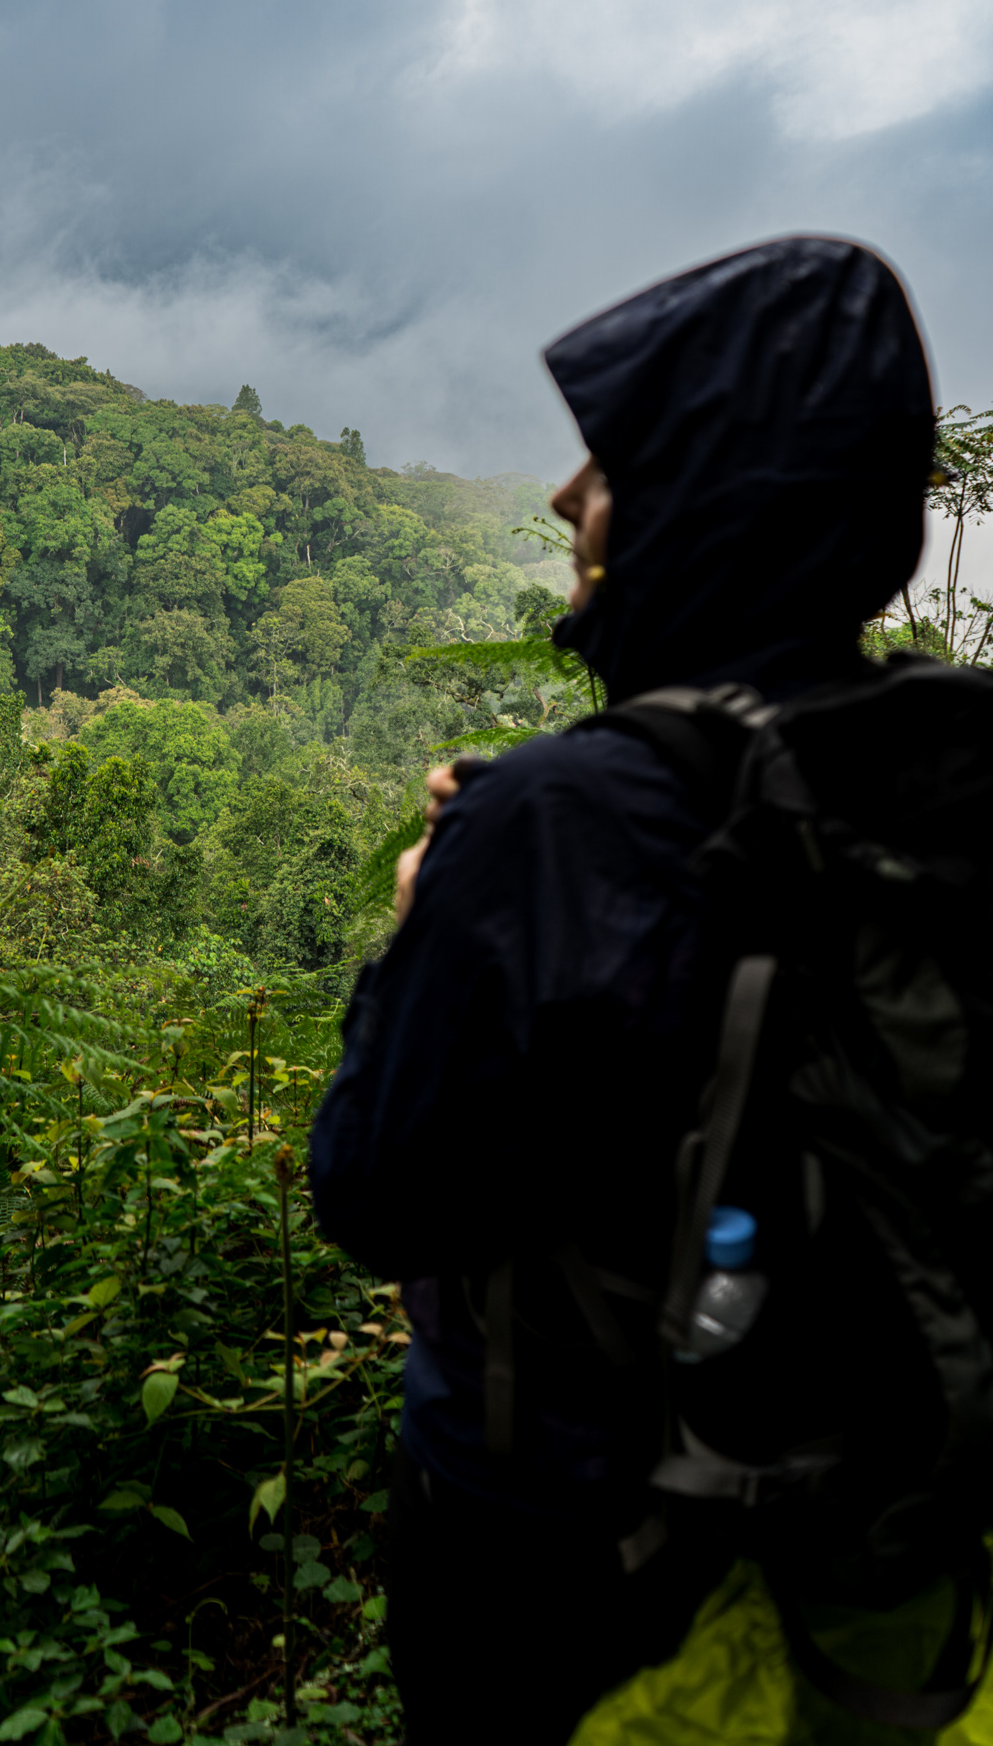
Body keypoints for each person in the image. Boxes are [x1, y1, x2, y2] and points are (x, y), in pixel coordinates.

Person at [309, 237, 935, 1744]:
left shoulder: (557, 819)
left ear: (700, 496)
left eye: (611, 458)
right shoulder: (944, 767)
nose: (561, 497)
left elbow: (376, 1196)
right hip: (893, 1502)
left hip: (564, 1543)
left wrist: (415, 931)